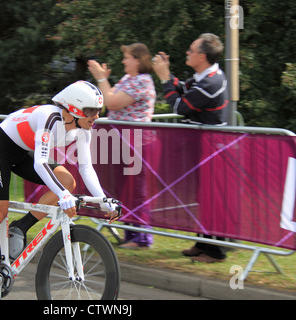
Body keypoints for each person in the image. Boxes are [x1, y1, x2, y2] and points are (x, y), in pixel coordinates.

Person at [0, 81, 120, 299]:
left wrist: (103, 200)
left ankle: (21, 227)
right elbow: (40, 164)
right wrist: (63, 196)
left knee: (67, 181)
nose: (96, 116)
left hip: (23, 152)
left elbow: (86, 167)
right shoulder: (50, 117)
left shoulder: (83, 129)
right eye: (91, 110)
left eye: (98, 111)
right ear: (73, 108)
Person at [153, 33, 229, 262]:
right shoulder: (204, 76)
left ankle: (216, 251)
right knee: (202, 196)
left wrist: (165, 78)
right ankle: (203, 243)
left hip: (210, 149)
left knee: (210, 198)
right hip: (201, 148)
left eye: (191, 50)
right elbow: (185, 89)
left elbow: (179, 106)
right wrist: (169, 75)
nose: (187, 53)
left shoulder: (211, 81)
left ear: (202, 56)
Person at [88, 43, 156, 249]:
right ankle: (130, 235)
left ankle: (142, 238)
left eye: (127, 57)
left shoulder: (142, 81)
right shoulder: (129, 79)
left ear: (138, 60)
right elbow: (104, 98)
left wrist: (102, 79)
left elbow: (113, 102)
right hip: (122, 140)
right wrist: (104, 82)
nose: (124, 61)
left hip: (137, 141)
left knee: (137, 190)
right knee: (125, 189)